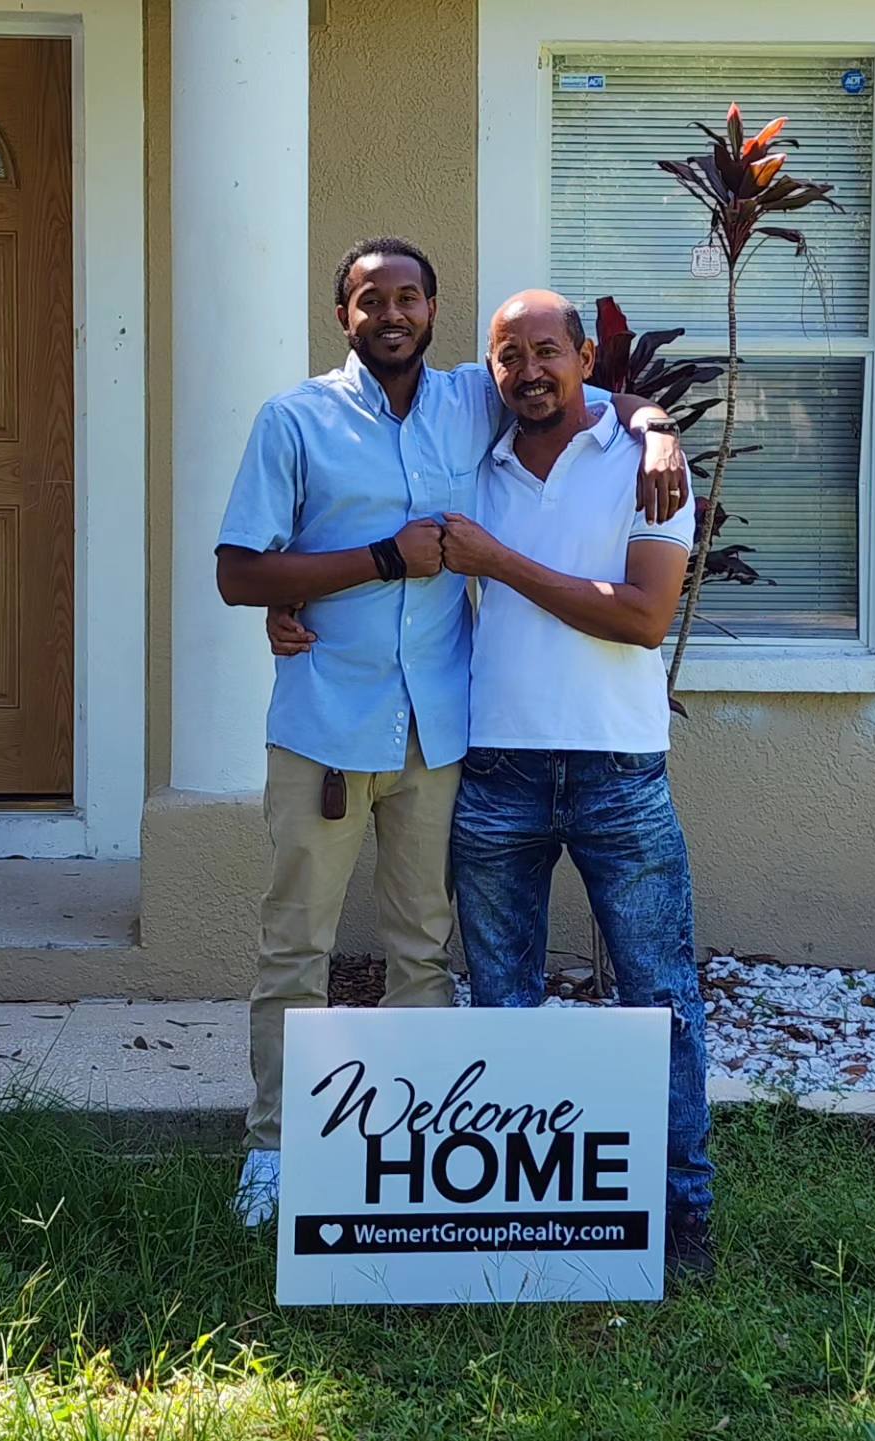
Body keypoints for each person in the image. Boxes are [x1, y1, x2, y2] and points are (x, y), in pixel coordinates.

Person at [216, 239, 688, 1226]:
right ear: (342, 315)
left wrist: (660, 431)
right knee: (294, 948)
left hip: (438, 735)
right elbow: (239, 572)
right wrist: (367, 566)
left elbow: (586, 389)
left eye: (407, 298)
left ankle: (417, 1154)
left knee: (423, 951)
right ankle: (273, 1148)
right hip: (328, 727)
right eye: (368, 300)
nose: (389, 315)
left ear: (432, 310)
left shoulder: (472, 397)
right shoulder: (293, 420)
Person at [439, 289, 715, 1278]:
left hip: (618, 773)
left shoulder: (651, 470)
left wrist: (654, 423)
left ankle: (683, 1216)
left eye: (545, 351)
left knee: (661, 1001)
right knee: (498, 1003)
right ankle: (513, 1221)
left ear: (587, 354)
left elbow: (644, 617)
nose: (527, 374)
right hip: (498, 769)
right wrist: (287, 611)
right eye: (507, 358)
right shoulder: (482, 457)